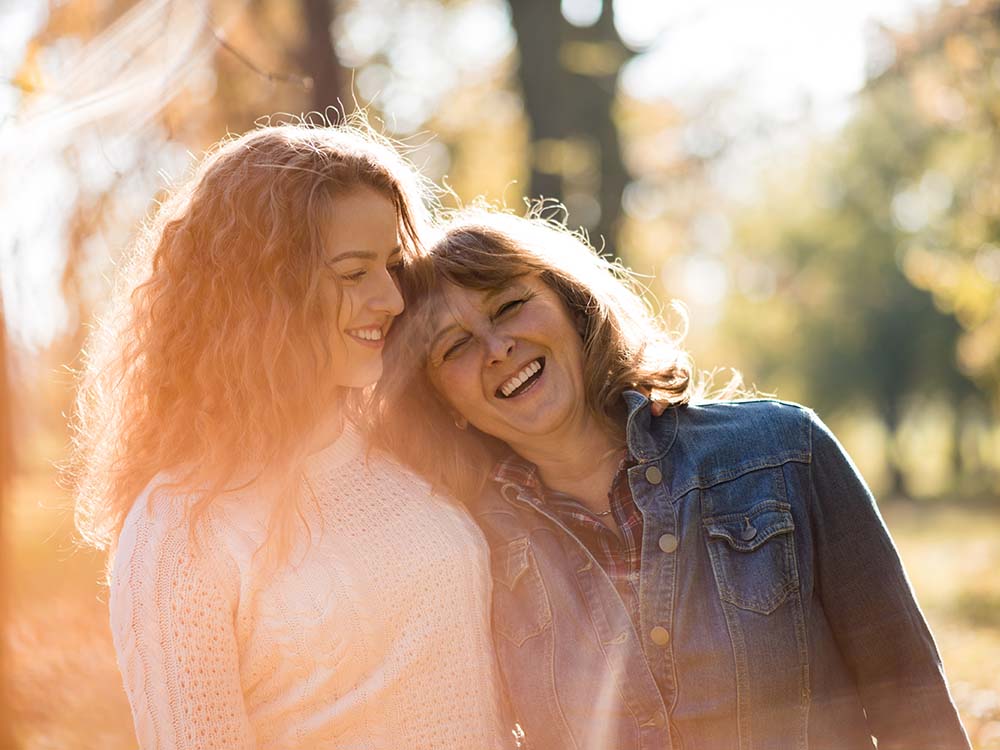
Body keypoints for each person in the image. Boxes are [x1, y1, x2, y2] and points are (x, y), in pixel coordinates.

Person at [375, 207, 972, 749]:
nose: (497, 347)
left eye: (508, 306)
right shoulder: (466, 548)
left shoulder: (785, 452)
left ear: (571, 306)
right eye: (454, 347)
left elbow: (910, 698)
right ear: (442, 401)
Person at [70, 123, 510, 749]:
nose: (390, 298)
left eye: (391, 267)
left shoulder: (417, 442)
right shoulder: (178, 527)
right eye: (354, 273)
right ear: (262, 292)